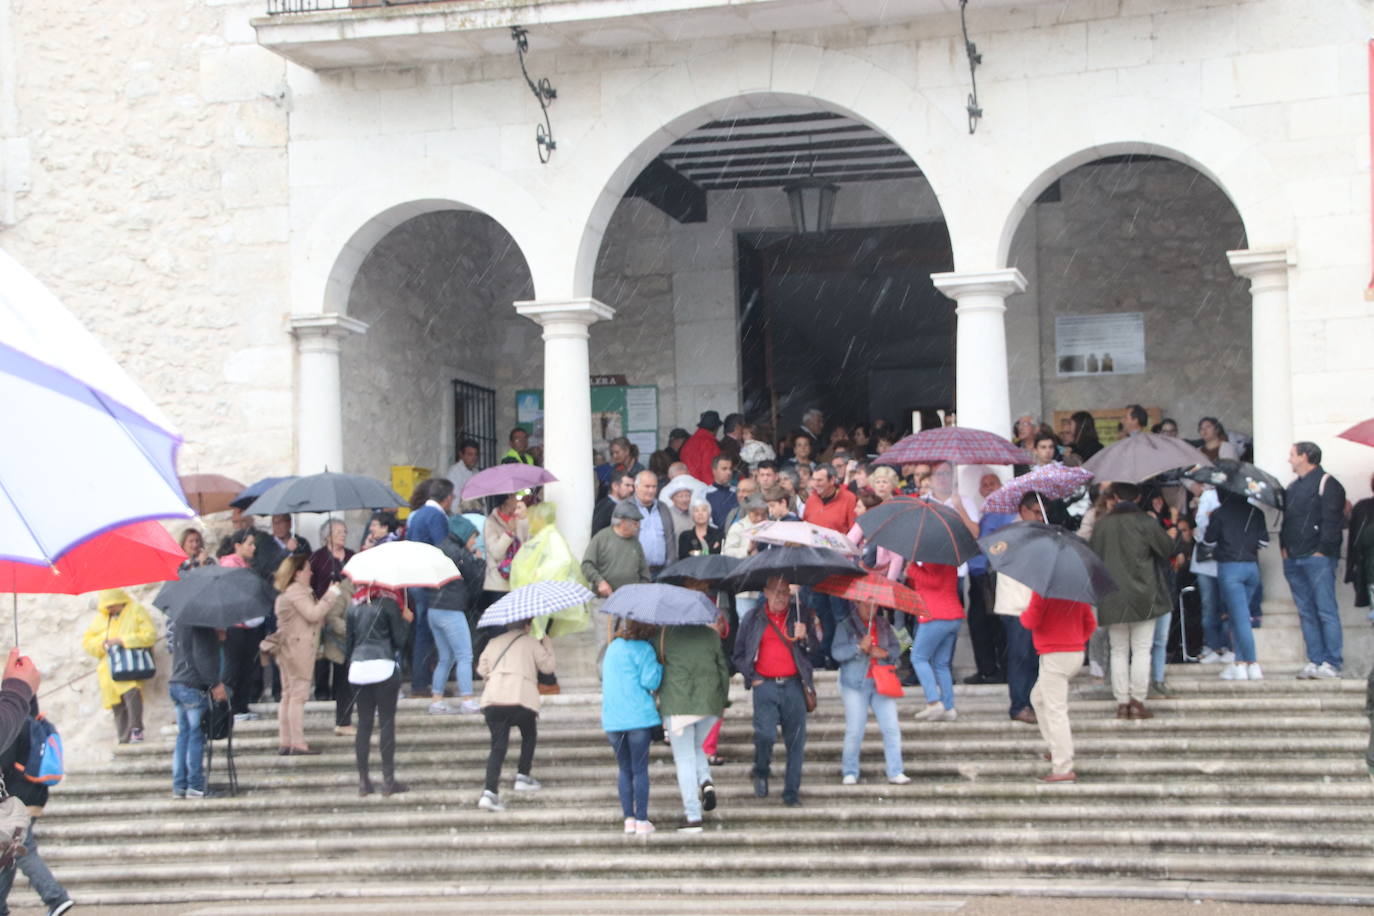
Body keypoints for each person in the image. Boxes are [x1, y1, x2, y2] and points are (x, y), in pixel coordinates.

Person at [1090, 482, 1179, 719]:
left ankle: (1121, 702)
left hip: (1111, 596)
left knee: (1118, 650)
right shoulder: (1145, 522)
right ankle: (1137, 701)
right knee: (1141, 650)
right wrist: (1172, 533)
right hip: (1144, 595)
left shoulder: (1101, 526)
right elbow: (1166, 549)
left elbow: (1093, 559)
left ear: (1115, 497)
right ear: (1138, 498)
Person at [732, 576, 814, 807]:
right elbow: (738, 654)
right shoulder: (753, 617)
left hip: (794, 685)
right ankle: (761, 770)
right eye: (775, 592)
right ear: (765, 593)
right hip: (765, 685)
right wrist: (752, 677)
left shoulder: (801, 614)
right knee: (765, 735)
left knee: (796, 741)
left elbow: (815, 651)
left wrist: (805, 636)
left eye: (785, 592)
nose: (780, 597)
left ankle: (791, 792)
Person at [267, 554, 346, 755]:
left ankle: (287, 741)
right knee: (297, 696)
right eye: (308, 569)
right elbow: (313, 614)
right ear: (297, 572)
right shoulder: (296, 592)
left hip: (290, 648)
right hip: (296, 650)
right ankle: (297, 742)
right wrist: (332, 593)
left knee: (288, 695)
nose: (311, 572)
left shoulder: (296, 592)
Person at [0, 692, 71, 916]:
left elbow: (5, 762)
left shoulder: (15, 726)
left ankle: (56, 897)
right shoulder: (37, 723)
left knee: (23, 850)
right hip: (36, 794)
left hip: (17, 797)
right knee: (9, 851)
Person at [1281, 441, 1347, 679]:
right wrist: (1284, 549)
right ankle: (1315, 659)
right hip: (1294, 557)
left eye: (1292, 454)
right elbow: (1287, 521)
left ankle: (1332, 661)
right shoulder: (1291, 487)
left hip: (1317, 558)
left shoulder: (1327, 483)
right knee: (1306, 611)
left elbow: (1332, 522)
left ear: (1305, 456)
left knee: (1325, 610)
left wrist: (1322, 550)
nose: (1289, 459)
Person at [476, 620, 555, 812]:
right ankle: (522, 774)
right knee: (529, 734)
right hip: (520, 698)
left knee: (498, 747)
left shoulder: (494, 642)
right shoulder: (531, 642)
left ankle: (489, 792)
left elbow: (481, 669)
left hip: (493, 699)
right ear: (527, 625)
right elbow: (548, 667)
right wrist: (547, 642)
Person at [659, 615, 730, 831]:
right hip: (709, 703)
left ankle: (693, 816)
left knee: (684, 759)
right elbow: (723, 669)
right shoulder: (711, 635)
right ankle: (706, 781)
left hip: (679, 704)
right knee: (697, 747)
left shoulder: (664, 636)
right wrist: (722, 700)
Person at [1022, 589, 1097, 783]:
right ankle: (1057, 748)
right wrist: (1077, 640)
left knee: (1055, 710)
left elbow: (1030, 621)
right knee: (1037, 699)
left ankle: (1063, 766)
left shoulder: (1042, 592)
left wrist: (1022, 612)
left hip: (1054, 653)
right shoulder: (1078, 591)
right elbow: (1091, 624)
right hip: (1075, 653)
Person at [831, 600, 909, 786]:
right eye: (866, 605)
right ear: (857, 604)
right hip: (855, 683)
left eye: (873, 605)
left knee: (891, 728)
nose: (870, 609)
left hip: (881, 681)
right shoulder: (845, 625)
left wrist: (883, 653)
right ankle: (850, 771)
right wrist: (858, 648)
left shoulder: (883, 624)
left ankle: (895, 771)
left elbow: (897, 649)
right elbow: (836, 653)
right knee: (855, 730)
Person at [345, 585, 411, 796]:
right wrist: (407, 621)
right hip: (383, 665)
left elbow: (349, 644)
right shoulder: (389, 604)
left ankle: (363, 781)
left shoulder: (353, 607)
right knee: (386, 723)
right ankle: (388, 780)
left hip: (358, 668)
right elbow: (399, 641)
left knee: (364, 724)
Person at [601, 620, 663, 834]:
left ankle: (628, 818)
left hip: (613, 720)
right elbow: (650, 681)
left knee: (624, 769)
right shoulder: (644, 649)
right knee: (639, 770)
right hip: (638, 718)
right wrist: (660, 667)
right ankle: (642, 819)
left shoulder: (613, 647)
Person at [1202, 489, 1269, 681]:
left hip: (1230, 568)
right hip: (1251, 567)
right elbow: (1264, 543)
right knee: (1238, 617)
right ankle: (1240, 661)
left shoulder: (1219, 513)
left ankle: (1249, 663)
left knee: (1240, 619)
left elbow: (1208, 541)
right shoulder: (1256, 512)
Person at [993, 494, 1046, 724]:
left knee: (1034, 658)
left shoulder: (1037, 534)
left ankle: (1030, 702)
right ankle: (1019, 705)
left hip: (1033, 606)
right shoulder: (1012, 535)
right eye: (1036, 512)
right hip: (1016, 605)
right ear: (1022, 510)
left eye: (1042, 512)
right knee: (1020, 656)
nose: (1040, 517)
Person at [81, 588, 157, 744]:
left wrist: (122, 641)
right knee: (117, 704)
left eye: (112, 605)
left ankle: (136, 729)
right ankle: (123, 737)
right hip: (109, 668)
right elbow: (88, 641)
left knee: (132, 694)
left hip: (130, 663)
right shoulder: (102, 618)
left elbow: (149, 635)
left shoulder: (136, 610)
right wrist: (103, 644)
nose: (109, 609)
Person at [430, 514, 486, 715]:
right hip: (451, 610)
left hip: (433, 609)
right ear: (464, 535)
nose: (473, 542)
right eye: (472, 538)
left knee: (445, 657)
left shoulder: (439, 549)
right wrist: (479, 561)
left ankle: (436, 700)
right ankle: (467, 699)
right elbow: (476, 581)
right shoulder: (460, 553)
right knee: (464, 655)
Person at [405, 478, 454, 697]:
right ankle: (423, 682)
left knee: (423, 631)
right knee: (429, 632)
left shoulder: (418, 515)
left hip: (416, 578)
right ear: (448, 498)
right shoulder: (436, 516)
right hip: (430, 581)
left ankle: (423, 680)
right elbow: (443, 548)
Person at [168, 617, 226, 799]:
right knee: (196, 735)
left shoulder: (181, 620)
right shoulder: (201, 623)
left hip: (178, 682)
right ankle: (195, 785)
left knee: (183, 735)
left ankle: (180, 785)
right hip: (193, 685)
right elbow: (201, 657)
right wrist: (215, 684)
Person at [219, 528, 268, 719]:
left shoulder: (247, 566)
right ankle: (226, 706)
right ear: (238, 546)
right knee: (233, 666)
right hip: (236, 623)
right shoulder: (231, 565)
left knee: (247, 666)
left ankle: (241, 705)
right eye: (250, 544)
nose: (253, 547)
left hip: (249, 623)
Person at [908, 557, 964, 722]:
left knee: (918, 657)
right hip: (952, 615)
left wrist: (911, 569)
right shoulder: (948, 557)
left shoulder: (933, 559)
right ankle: (948, 706)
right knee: (941, 664)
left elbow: (934, 581)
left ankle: (933, 702)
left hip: (936, 615)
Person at [309, 519, 354, 719]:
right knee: (323, 652)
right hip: (322, 608)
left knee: (340, 652)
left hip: (345, 609)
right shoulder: (318, 558)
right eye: (338, 532)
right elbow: (310, 584)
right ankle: (321, 690)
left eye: (344, 531)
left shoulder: (352, 556)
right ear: (327, 535)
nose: (343, 535)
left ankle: (340, 692)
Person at [1190, 484, 1233, 666]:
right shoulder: (1208, 495)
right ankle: (1211, 645)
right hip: (1206, 562)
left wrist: (1213, 517)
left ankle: (1226, 645)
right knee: (1209, 606)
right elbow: (1201, 525)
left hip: (1227, 560)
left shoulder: (1235, 498)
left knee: (1227, 606)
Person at [583, 502, 652, 599]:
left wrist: (639, 591)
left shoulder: (636, 543)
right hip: (604, 599)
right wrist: (600, 582)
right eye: (635, 523)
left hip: (630, 600)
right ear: (622, 522)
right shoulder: (601, 538)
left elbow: (644, 574)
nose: (638, 527)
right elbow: (587, 565)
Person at [722, 495, 769, 624]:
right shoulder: (738, 527)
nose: (759, 518)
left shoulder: (769, 526)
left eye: (762, 515)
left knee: (765, 621)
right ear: (749, 512)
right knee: (746, 620)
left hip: (765, 580)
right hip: (745, 581)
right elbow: (728, 552)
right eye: (756, 514)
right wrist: (747, 550)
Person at [483, 494, 530, 609]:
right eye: (514, 496)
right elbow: (496, 553)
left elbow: (529, 544)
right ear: (506, 500)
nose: (517, 499)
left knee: (518, 623)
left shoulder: (520, 519)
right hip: (499, 584)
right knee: (500, 626)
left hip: (519, 580)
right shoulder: (490, 522)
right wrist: (509, 533)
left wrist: (527, 517)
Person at [632, 470, 674, 576]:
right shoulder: (626, 507)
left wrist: (670, 568)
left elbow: (670, 538)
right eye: (647, 486)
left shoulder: (663, 508)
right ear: (636, 487)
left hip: (662, 572)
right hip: (637, 574)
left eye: (654, 487)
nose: (651, 491)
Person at [680, 410, 723, 484]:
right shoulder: (709, 444)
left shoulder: (689, 442)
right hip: (702, 487)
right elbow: (708, 471)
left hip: (687, 486)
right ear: (716, 428)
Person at [592, 470, 636, 536]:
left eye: (632, 486)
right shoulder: (606, 507)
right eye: (627, 485)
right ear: (615, 486)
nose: (631, 489)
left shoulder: (623, 505)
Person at [446, 437, 484, 512]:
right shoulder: (454, 473)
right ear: (461, 455)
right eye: (470, 454)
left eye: (476, 454)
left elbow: (482, 499)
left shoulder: (477, 473)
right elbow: (454, 502)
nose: (474, 458)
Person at [705, 455, 737, 531]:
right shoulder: (705, 493)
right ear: (714, 471)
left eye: (730, 469)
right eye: (724, 469)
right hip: (716, 538)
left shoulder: (739, 492)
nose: (729, 472)